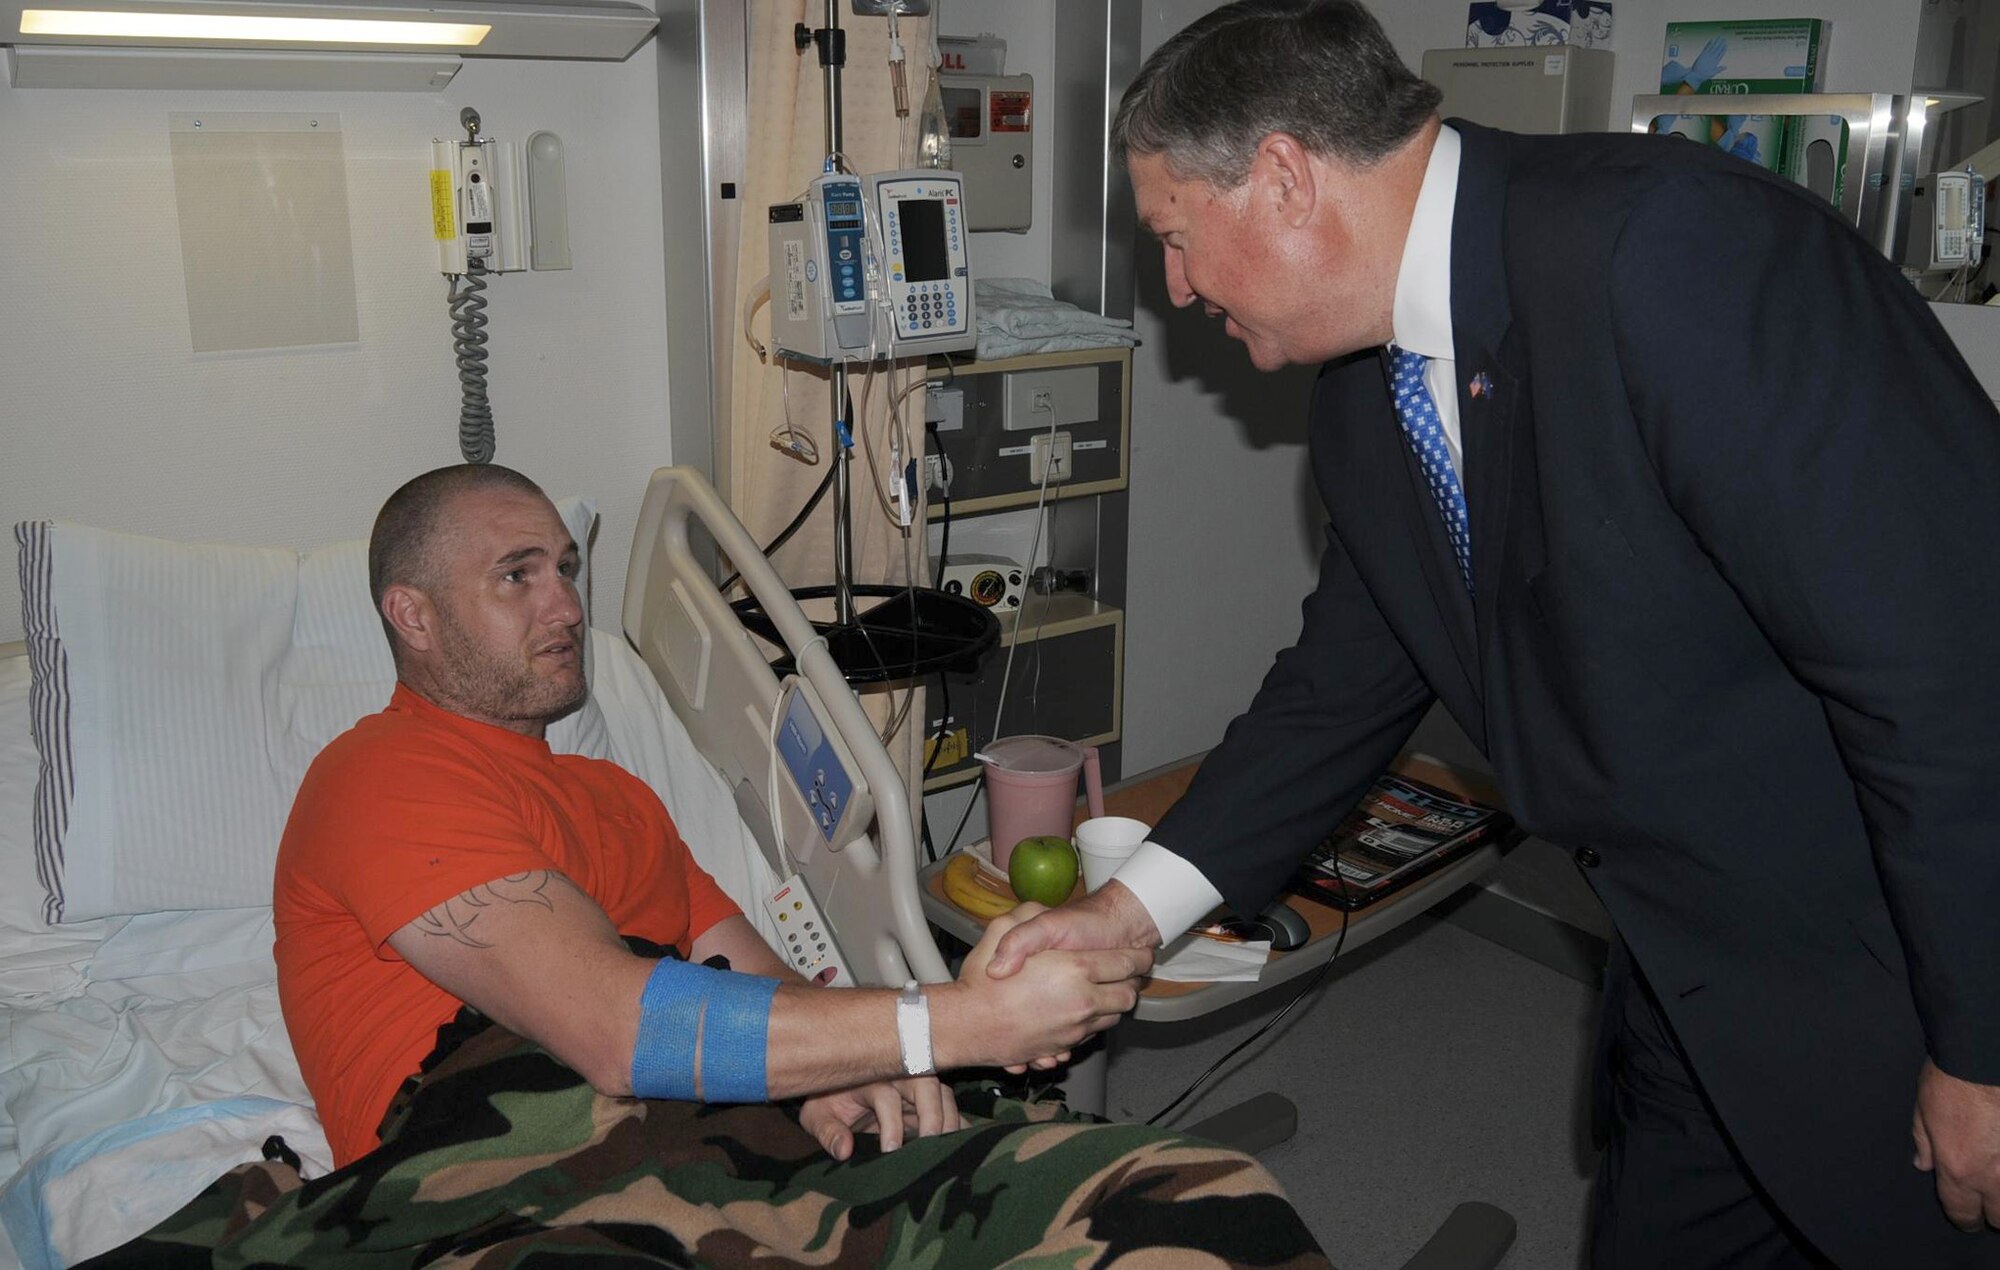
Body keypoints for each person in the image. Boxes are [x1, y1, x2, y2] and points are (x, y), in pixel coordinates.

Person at [985, 3, 2000, 1267]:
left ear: (1285, 176)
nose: (1177, 288)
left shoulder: (1674, 256)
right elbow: (1337, 688)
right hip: (1689, 982)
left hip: (1899, 979)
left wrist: (1981, 1050)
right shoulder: (1366, 398)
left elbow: (1950, 675)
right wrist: (1129, 916)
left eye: (1177, 238)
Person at [246, 462, 1328, 1266]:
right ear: (413, 616)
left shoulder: (620, 802)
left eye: (566, 570)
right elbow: (619, 1027)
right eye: (516, 576)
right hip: (503, 1179)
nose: (567, 605)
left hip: (723, 1140)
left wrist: (848, 1065)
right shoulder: (379, 774)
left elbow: (755, 989)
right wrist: (953, 1022)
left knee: (1192, 1203)